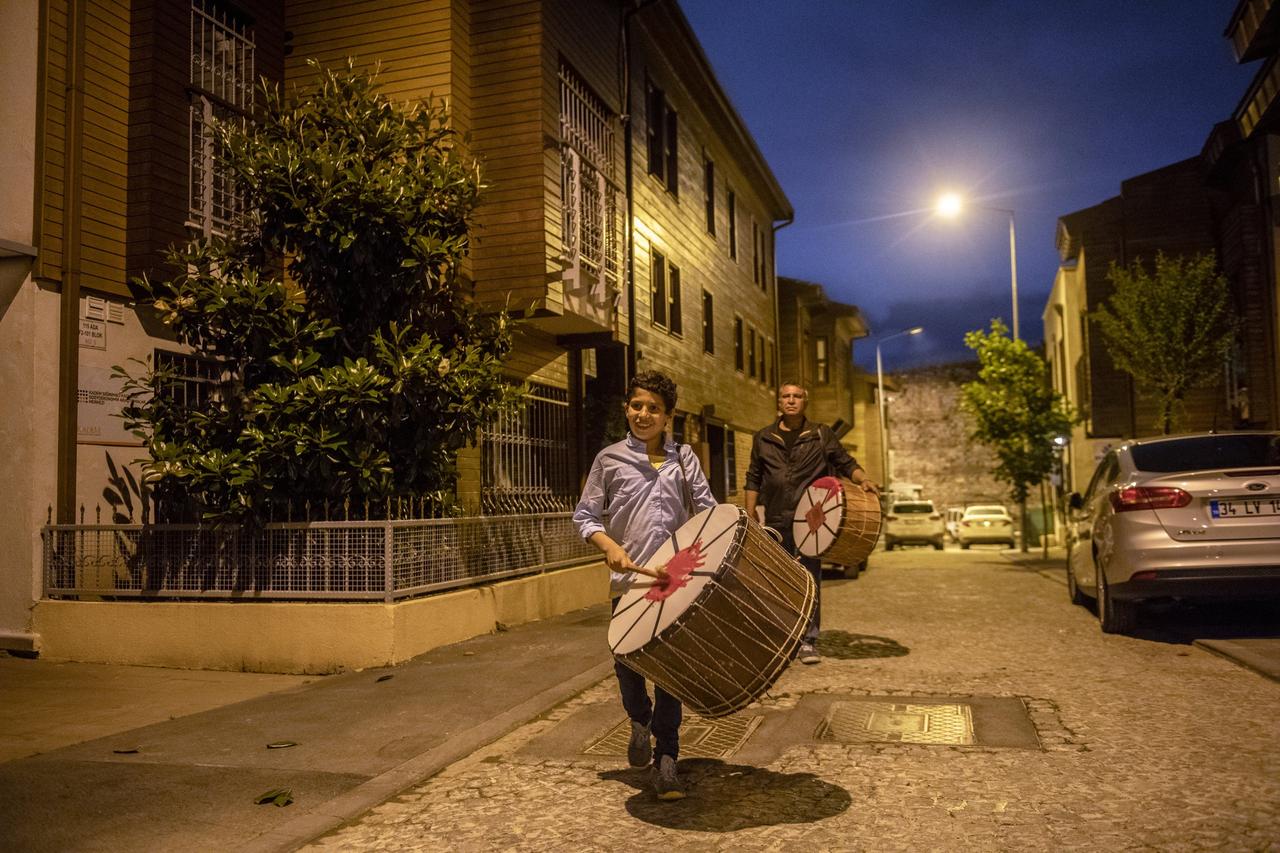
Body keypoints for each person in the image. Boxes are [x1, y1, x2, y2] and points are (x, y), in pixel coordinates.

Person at [573, 370, 716, 801]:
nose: (644, 414)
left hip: (674, 580)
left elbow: (706, 512)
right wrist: (608, 545)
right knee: (627, 661)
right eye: (637, 405)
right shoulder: (609, 459)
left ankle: (667, 759)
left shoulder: (684, 459)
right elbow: (585, 516)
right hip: (629, 581)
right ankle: (639, 718)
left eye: (654, 408)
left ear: (668, 416)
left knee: (669, 669)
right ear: (627, 409)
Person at [744, 382, 878, 665]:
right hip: (777, 520)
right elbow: (754, 475)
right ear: (779, 402)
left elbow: (844, 461)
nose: (791, 400)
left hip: (812, 521)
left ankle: (808, 640)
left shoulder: (820, 434)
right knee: (777, 580)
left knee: (809, 579)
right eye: (786, 396)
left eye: (797, 396)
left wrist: (863, 479)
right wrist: (751, 510)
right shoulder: (763, 437)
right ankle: (782, 636)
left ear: (805, 401)